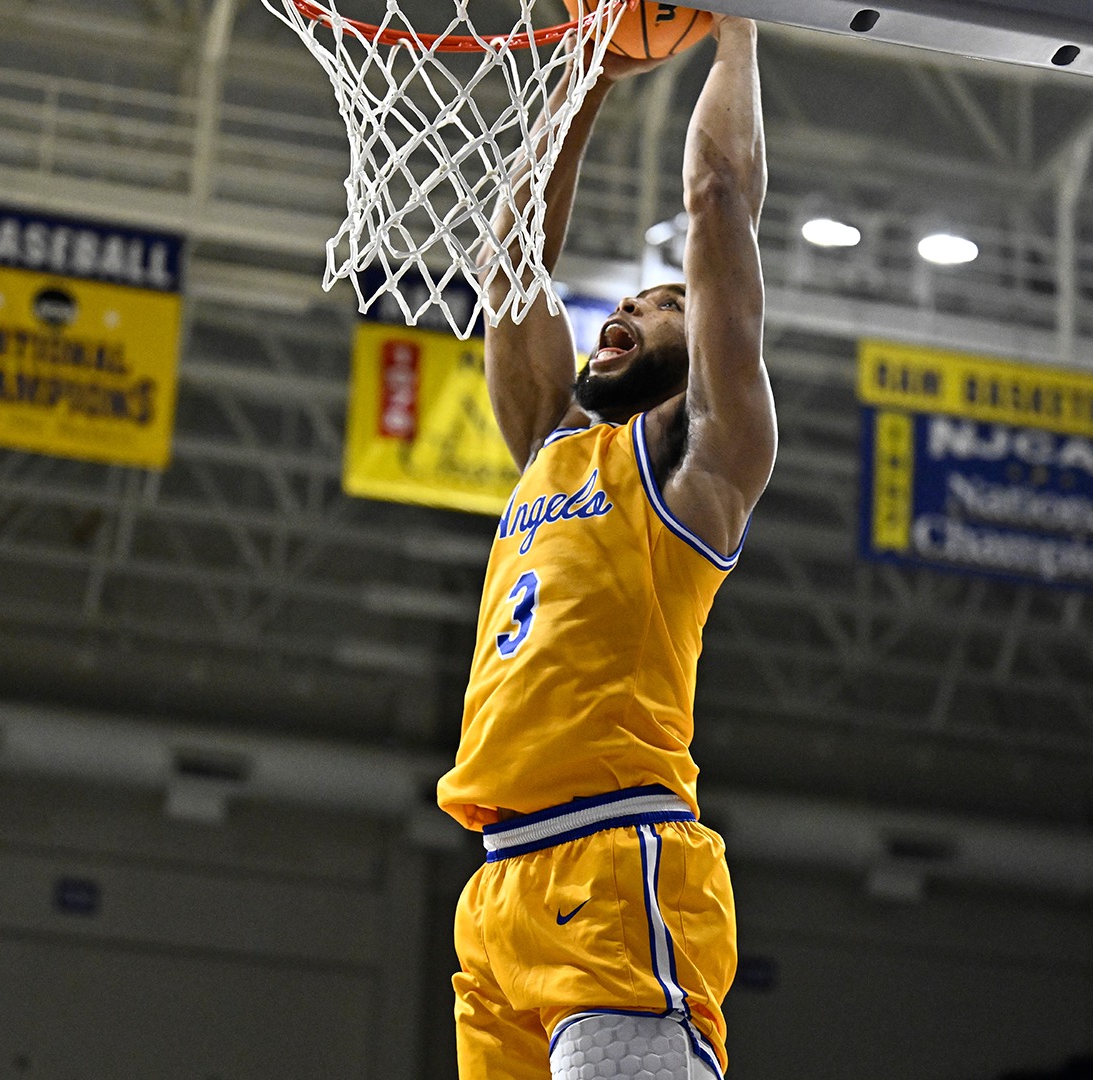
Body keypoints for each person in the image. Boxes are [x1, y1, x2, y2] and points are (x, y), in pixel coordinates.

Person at [436, 16, 773, 1080]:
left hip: (618, 858)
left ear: (699, 350)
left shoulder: (703, 463)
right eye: (629, 296)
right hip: (496, 896)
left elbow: (719, 203)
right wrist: (583, 81)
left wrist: (738, 32)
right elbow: (510, 264)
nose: (633, 301)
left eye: (666, 301)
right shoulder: (550, 444)